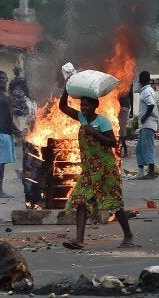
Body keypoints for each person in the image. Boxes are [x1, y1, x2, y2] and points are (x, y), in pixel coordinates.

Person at [58, 88, 135, 250]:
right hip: (89, 171)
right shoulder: (81, 118)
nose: (83, 108)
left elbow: (112, 142)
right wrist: (66, 89)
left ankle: (128, 234)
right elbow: (63, 107)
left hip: (105, 169)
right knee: (80, 200)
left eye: (86, 105)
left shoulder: (103, 121)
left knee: (114, 202)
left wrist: (94, 133)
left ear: (95, 106)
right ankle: (79, 240)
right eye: (81, 105)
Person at [0, 71, 22, 198]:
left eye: (3, 78)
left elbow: (8, 116)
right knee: (0, 163)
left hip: (7, 132)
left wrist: (16, 130)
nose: (1, 80)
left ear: (7, 79)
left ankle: (0, 190)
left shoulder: (6, 95)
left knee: (3, 162)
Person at [133, 71, 158, 180]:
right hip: (144, 125)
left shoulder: (147, 91)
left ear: (141, 80)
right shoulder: (147, 90)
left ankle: (151, 172)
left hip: (148, 124)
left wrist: (144, 117)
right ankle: (140, 172)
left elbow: (151, 104)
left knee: (148, 147)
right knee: (140, 148)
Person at [9, 67, 36, 136]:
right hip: (18, 110)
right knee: (20, 127)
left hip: (24, 109)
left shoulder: (22, 81)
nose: (16, 71)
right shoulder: (14, 85)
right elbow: (11, 92)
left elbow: (26, 90)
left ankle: (24, 137)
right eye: (15, 70)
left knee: (25, 127)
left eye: (18, 70)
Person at [118, 84, 132, 157]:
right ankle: (121, 150)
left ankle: (124, 151)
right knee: (119, 128)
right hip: (121, 106)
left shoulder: (125, 80)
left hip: (123, 107)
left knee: (121, 129)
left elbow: (130, 94)